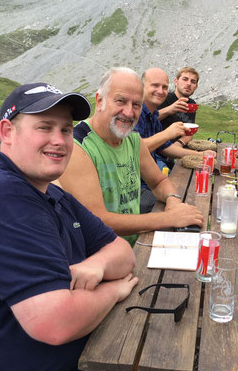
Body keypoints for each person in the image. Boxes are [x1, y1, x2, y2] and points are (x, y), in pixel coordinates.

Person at [0, 83, 138, 370]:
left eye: (66, 130)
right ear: (7, 131)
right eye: (44, 127)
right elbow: (55, 324)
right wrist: (114, 291)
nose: (59, 140)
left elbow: (122, 252)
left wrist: (97, 265)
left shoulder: (48, 192)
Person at [58, 67, 204, 246]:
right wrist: (168, 218)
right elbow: (98, 220)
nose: (129, 112)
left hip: (134, 245)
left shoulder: (133, 140)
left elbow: (158, 182)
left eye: (136, 104)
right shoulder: (77, 146)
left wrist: (172, 199)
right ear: (100, 100)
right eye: (120, 101)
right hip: (98, 259)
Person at [158, 66, 200, 145]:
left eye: (193, 82)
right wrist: (169, 109)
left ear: (196, 87)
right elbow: (148, 119)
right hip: (158, 147)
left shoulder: (191, 104)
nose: (189, 84)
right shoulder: (164, 97)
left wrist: (179, 143)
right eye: (185, 79)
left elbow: (190, 132)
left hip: (177, 148)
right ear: (176, 82)